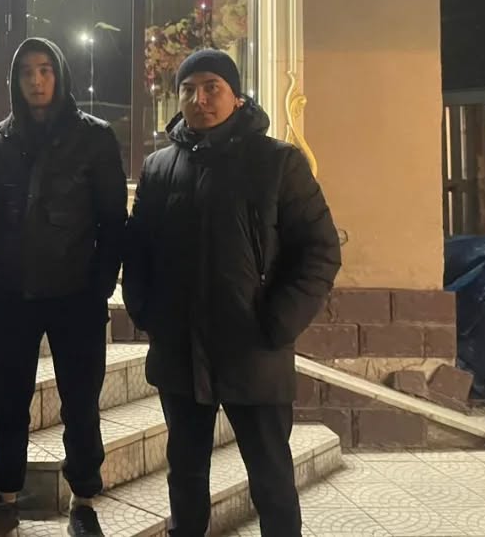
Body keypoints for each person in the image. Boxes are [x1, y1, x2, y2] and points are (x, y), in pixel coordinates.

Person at [123, 49, 342, 537]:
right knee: (185, 473)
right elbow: (137, 251)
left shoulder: (278, 162)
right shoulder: (159, 168)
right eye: (188, 89)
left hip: (253, 349)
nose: (199, 99)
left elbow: (320, 251)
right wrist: (147, 312)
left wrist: (278, 322)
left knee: (270, 477)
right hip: (181, 350)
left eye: (212, 88)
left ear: (236, 97)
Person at [0, 39, 128, 537]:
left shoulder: (95, 137)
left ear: (60, 75)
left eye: (45, 70)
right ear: (14, 81)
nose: (36, 81)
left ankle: (83, 500)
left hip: (76, 294)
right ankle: (3, 498)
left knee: (80, 402)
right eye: (26, 72)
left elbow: (113, 221)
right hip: (9, 295)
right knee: (6, 402)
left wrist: (99, 285)